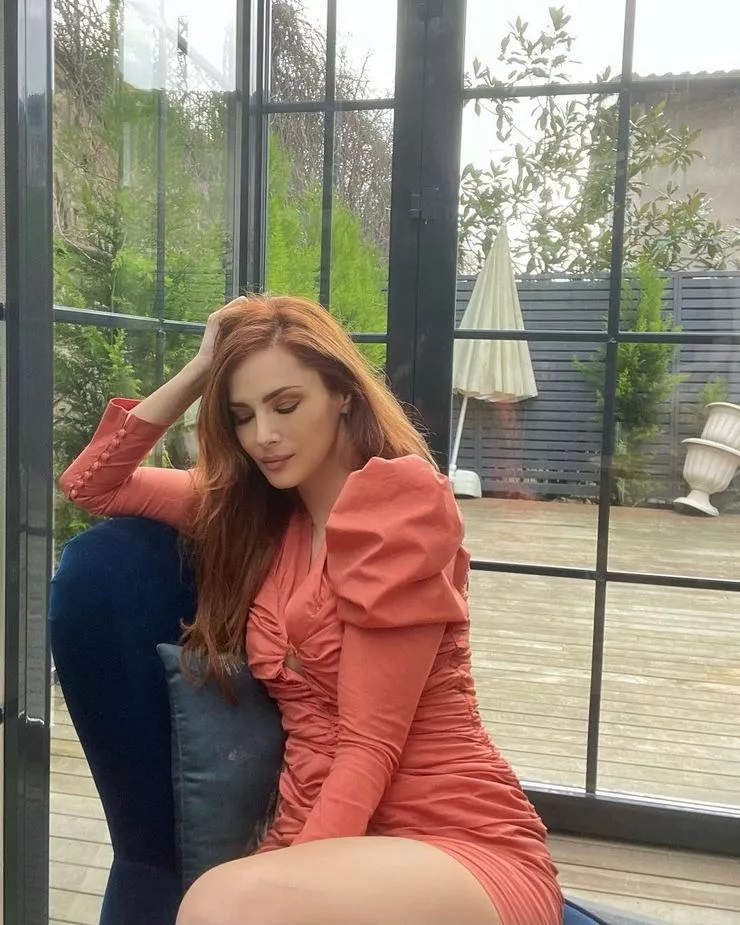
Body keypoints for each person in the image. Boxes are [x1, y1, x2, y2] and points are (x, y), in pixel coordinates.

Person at [60, 295, 563, 925]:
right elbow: (92, 483)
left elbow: (367, 748)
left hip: (450, 836)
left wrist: (283, 871)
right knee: (221, 901)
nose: (263, 436)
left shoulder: (398, 505)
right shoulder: (256, 520)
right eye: (243, 416)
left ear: (344, 394)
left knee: (219, 904)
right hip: (326, 842)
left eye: (286, 405)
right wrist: (201, 368)